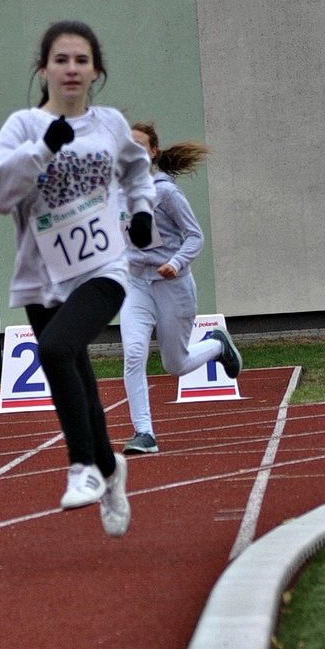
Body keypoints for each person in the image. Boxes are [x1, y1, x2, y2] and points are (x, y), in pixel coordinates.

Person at [0, 20, 155, 537]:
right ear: (44, 69)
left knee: (55, 351)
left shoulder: (110, 126)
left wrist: (141, 211)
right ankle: (109, 469)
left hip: (104, 268)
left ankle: (81, 466)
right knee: (77, 376)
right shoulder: (23, 127)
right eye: (61, 59)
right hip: (42, 276)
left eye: (82, 60)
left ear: (96, 70)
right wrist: (40, 152)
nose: (72, 69)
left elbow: (137, 169)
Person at [119, 121, 241, 455]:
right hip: (136, 286)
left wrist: (175, 262)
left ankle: (217, 345)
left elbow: (195, 236)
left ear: (152, 153)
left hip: (173, 285)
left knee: (175, 365)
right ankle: (144, 432)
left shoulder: (166, 192)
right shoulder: (116, 193)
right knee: (133, 354)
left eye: (139, 147)